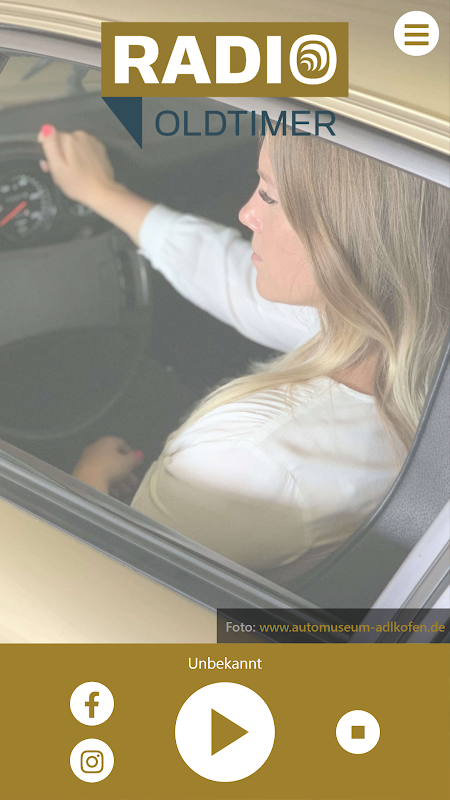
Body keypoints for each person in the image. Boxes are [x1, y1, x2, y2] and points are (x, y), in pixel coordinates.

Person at [37, 124, 449, 584]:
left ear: (352, 234)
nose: (247, 212)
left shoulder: (251, 454)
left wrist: (87, 478)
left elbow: (104, 586)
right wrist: (101, 192)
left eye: (269, 196)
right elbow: (234, 281)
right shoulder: (411, 338)